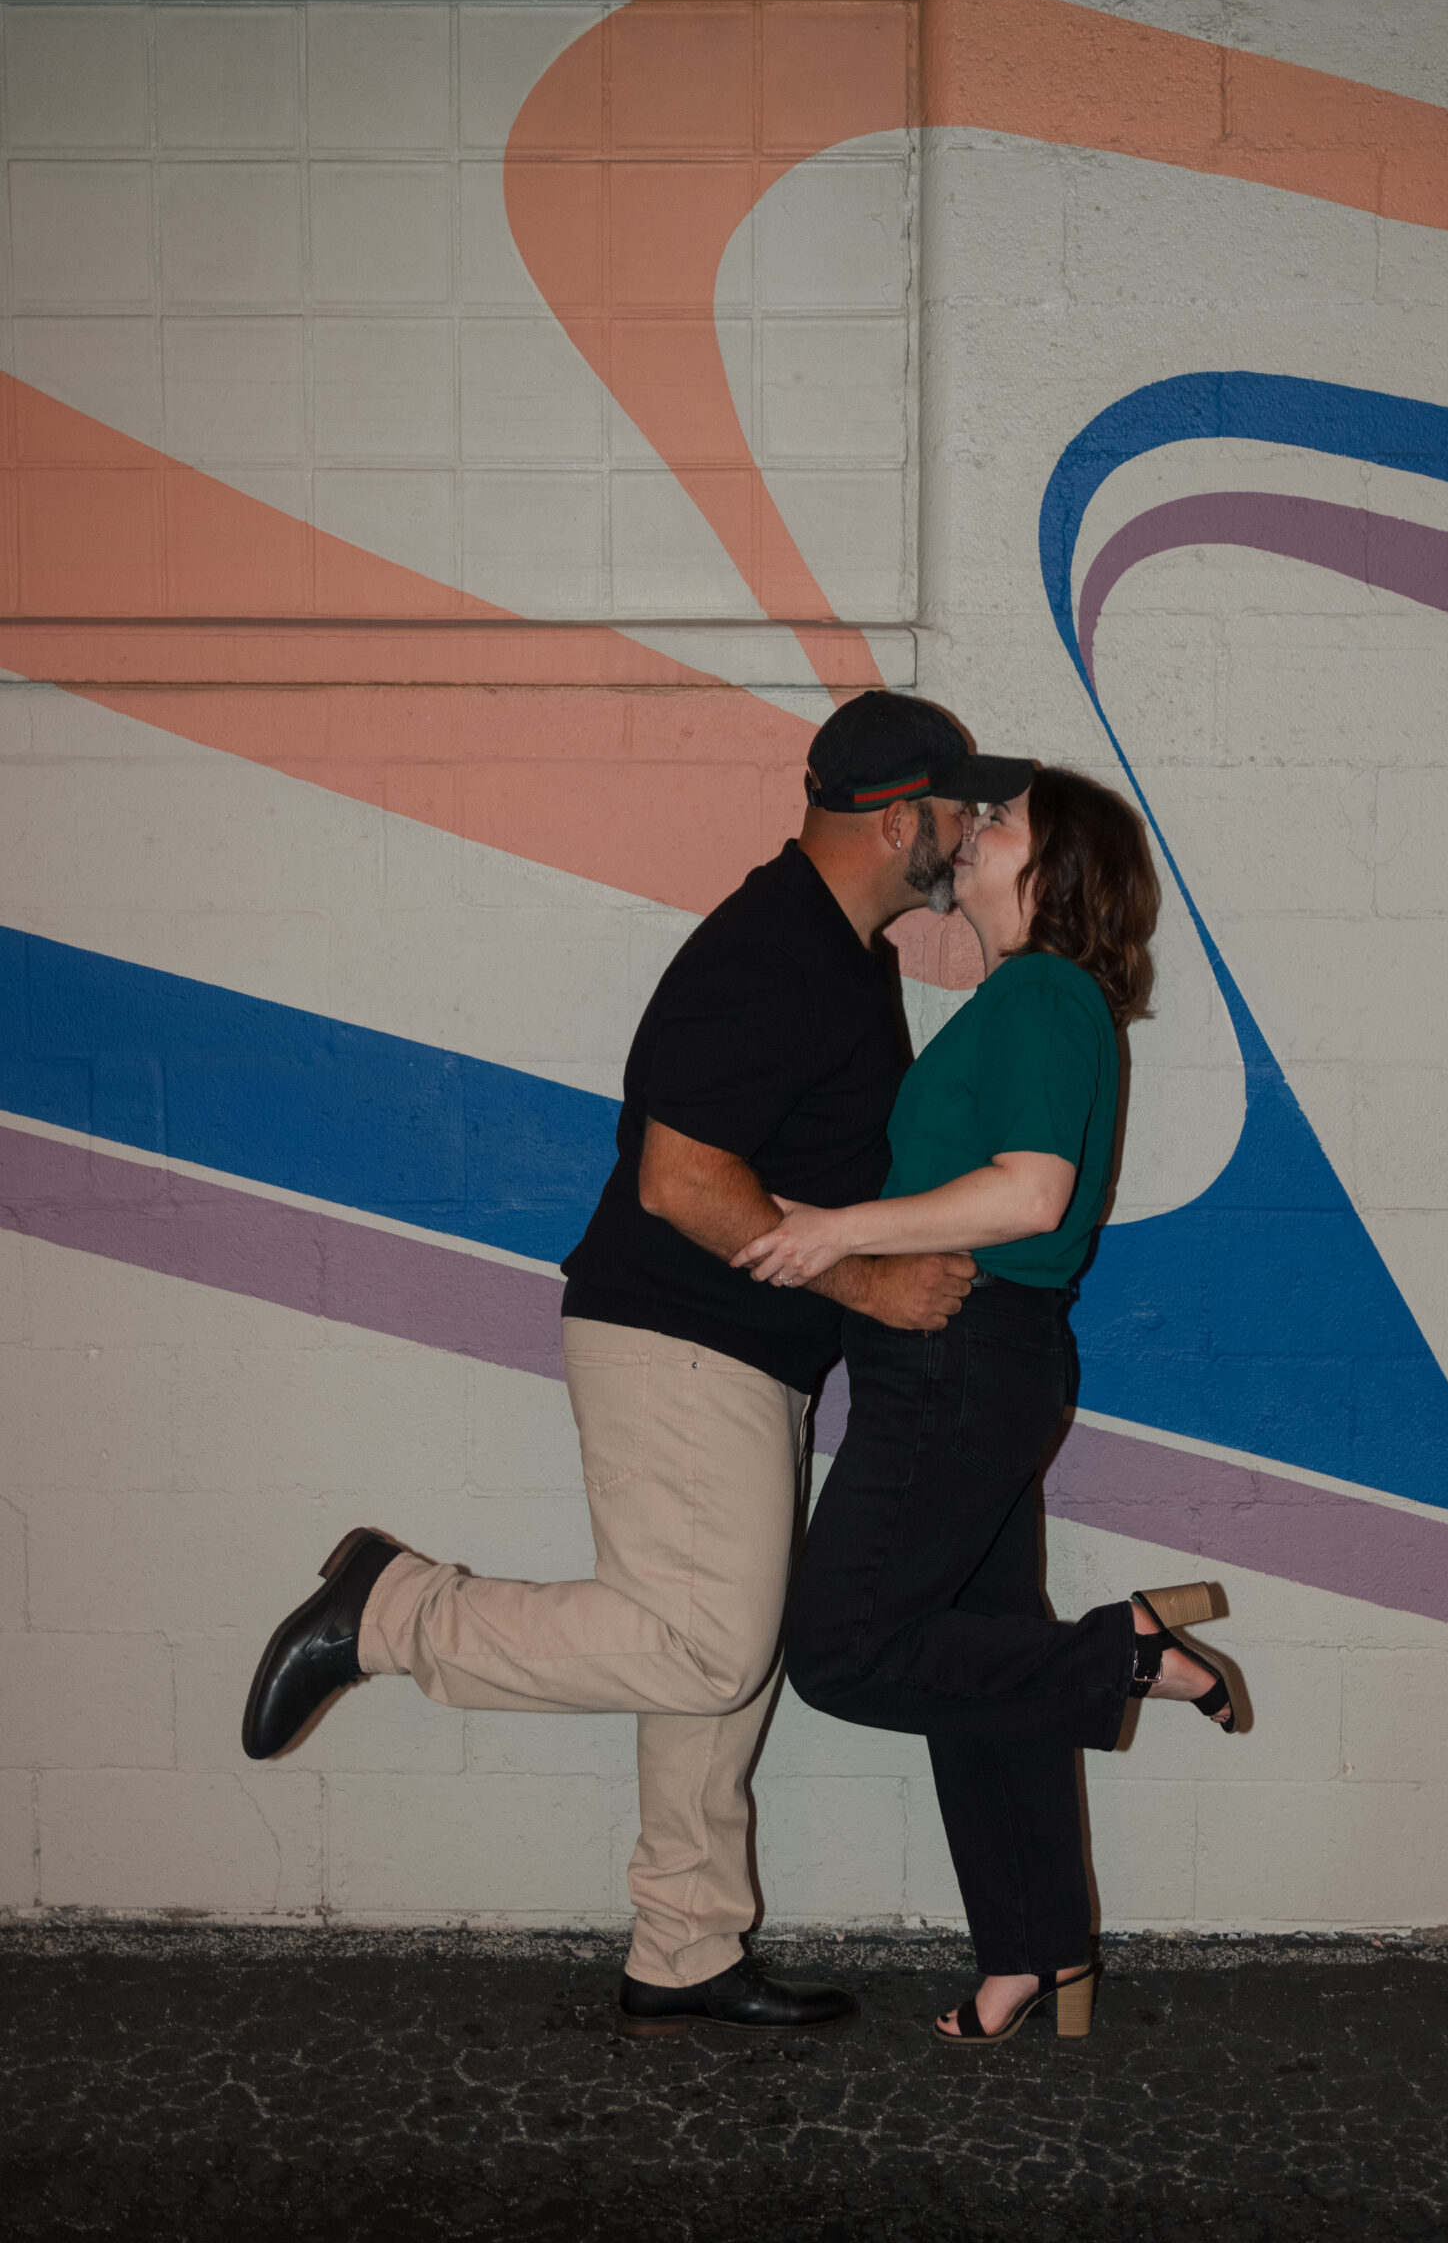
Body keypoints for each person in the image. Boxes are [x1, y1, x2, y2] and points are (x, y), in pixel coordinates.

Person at [240, 691, 1034, 2040]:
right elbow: (678, 1180)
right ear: (894, 815)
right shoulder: (769, 950)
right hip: (680, 1332)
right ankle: (391, 1611)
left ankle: (681, 1950)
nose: (965, 833)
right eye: (955, 808)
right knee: (707, 1645)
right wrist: (866, 1282)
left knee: (711, 1661)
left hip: (750, 1344)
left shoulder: (839, 956)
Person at [734, 767, 1240, 2048]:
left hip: (961, 1360)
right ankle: (1035, 1955)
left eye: (1004, 819)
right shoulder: (1033, 1000)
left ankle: (1120, 1655)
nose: (975, 827)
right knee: (977, 1673)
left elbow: (1026, 1191)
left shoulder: (1041, 992)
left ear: (1054, 874)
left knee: (845, 1649)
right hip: (982, 1363)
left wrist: (835, 1230)